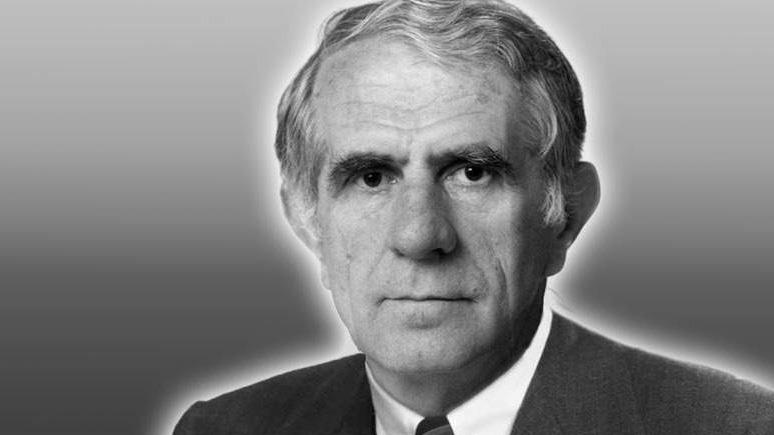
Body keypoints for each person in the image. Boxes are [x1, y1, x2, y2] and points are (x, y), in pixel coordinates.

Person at [173, 0, 774, 433]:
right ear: (308, 220)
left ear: (565, 215)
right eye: (371, 177)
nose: (419, 235)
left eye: (472, 172)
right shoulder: (226, 429)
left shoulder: (734, 426)